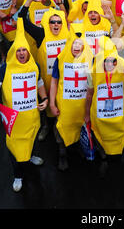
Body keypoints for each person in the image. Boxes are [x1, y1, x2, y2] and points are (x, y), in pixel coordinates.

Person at [0, 17, 48, 192]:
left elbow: (40, 82)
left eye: (24, 50)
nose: (21, 53)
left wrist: (44, 99)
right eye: (18, 50)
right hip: (14, 120)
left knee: (33, 139)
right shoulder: (6, 68)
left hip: (32, 116)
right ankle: (18, 176)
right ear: (14, 52)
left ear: (28, 52)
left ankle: (31, 156)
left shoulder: (34, 66)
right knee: (14, 148)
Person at [84, 35, 124, 181]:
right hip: (100, 115)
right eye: (107, 60)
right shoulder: (93, 70)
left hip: (120, 114)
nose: (110, 63)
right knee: (100, 138)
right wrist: (86, 114)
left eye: (113, 60)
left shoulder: (122, 64)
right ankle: (104, 160)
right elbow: (90, 94)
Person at [17, 0, 69, 141]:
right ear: (47, 23)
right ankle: (46, 126)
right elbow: (22, 20)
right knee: (46, 106)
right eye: (52, 22)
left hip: (65, 80)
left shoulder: (69, 35)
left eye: (59, 22)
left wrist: (60, 3)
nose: (56, 25)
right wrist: (27, 2)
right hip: (46, 81)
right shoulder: (41, 34)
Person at [50, 23, 94, 170]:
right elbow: (54, 81)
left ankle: (79, 148)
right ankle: (62, 154)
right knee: (62, 127)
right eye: (74, 42)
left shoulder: (91, 59)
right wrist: (52, 103)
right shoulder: (60, 58)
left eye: (80, 43)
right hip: (65, 105)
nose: (76, 46)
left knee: (80, 127)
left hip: (83, 105)